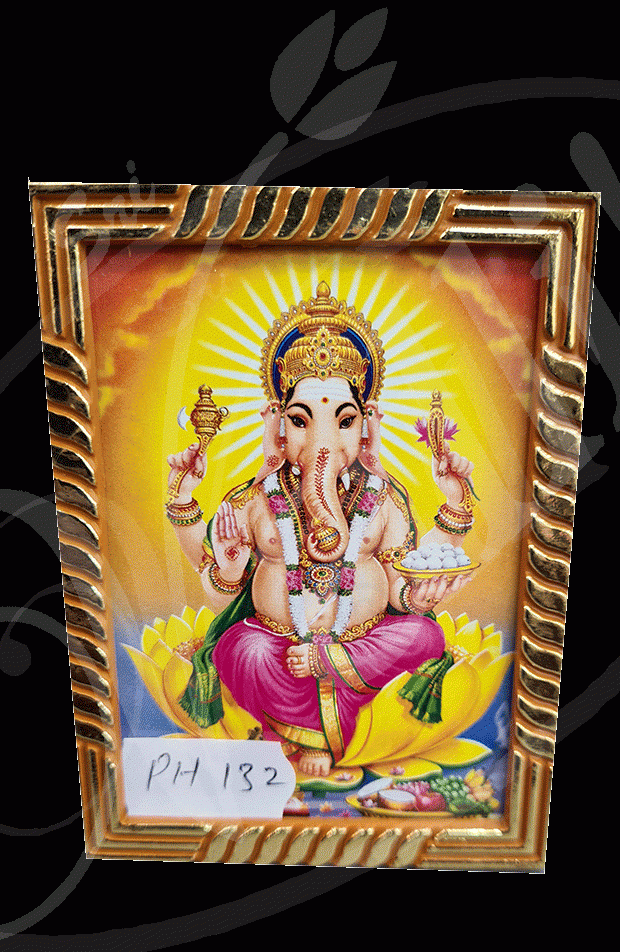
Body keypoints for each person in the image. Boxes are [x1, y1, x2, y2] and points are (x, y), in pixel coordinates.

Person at [165, 283, 475, 777]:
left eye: (343, 421)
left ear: (365, 427)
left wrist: (424, 583)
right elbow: (222, 596)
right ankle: (291, 730)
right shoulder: (255, 499)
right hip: (278, 646)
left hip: (360, 641)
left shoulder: (383, 498)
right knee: (241, 650)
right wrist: (225, 561)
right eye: (301, 421)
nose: (322, 440)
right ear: (279, 426)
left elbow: (401, 588)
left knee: (424, 637)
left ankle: (327, 672)